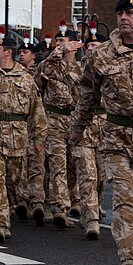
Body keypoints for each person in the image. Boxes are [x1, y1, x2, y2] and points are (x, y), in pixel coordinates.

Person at [71, 0, 133, 265]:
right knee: (123, 200)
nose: (123, 17)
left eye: (130, 13)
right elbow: (87, 95)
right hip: (116, 138)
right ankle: (128, 258)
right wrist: (77, 129)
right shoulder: (102, 55)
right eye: (120, 14)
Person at [34, 20, 83, 229]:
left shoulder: (81, 69)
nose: (59, 45)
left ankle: (70, 199)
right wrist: (57, 53)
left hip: (74, 121)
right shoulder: (50, 66)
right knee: (57, 165)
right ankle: (59, 208)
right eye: (57, 41)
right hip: (53, 120)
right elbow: (40, 76)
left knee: (73, 166)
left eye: (63, 41)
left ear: (74, 43)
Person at [0, 28, 47, 242]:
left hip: (18, 138)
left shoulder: (26, 79)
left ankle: (15, 205)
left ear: (7, 52)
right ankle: (2, 225)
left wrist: (38, 141)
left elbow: (37, 111)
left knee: (15, 181)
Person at [71, 22, 108, 240]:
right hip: (84, 126)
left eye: (97, 45)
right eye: (89, 45)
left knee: (102, 176)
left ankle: (95, 206)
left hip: (105, 128)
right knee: (87, 175)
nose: (92, 48)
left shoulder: (111, 67)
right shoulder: (77, 68)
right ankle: (92, 218)